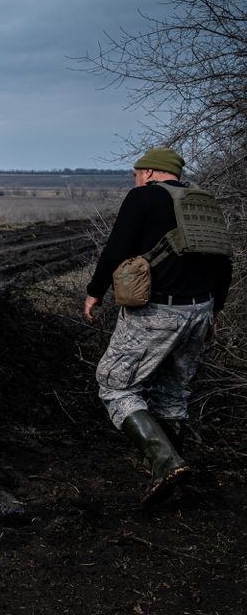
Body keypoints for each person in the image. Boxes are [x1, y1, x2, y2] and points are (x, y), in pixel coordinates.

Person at [84, 147, 233, 505]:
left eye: (137, 172)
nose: (135, 178)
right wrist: (213, 313)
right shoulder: (203, 202)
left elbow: (116, 248)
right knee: (172, 394)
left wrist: (95, 292)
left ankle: (166, 463)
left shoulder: (143, 197)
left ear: (150, 172)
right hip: (201, 309)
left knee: (115, 385)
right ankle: (173, 483)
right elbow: (224, 263)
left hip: (158, 312)